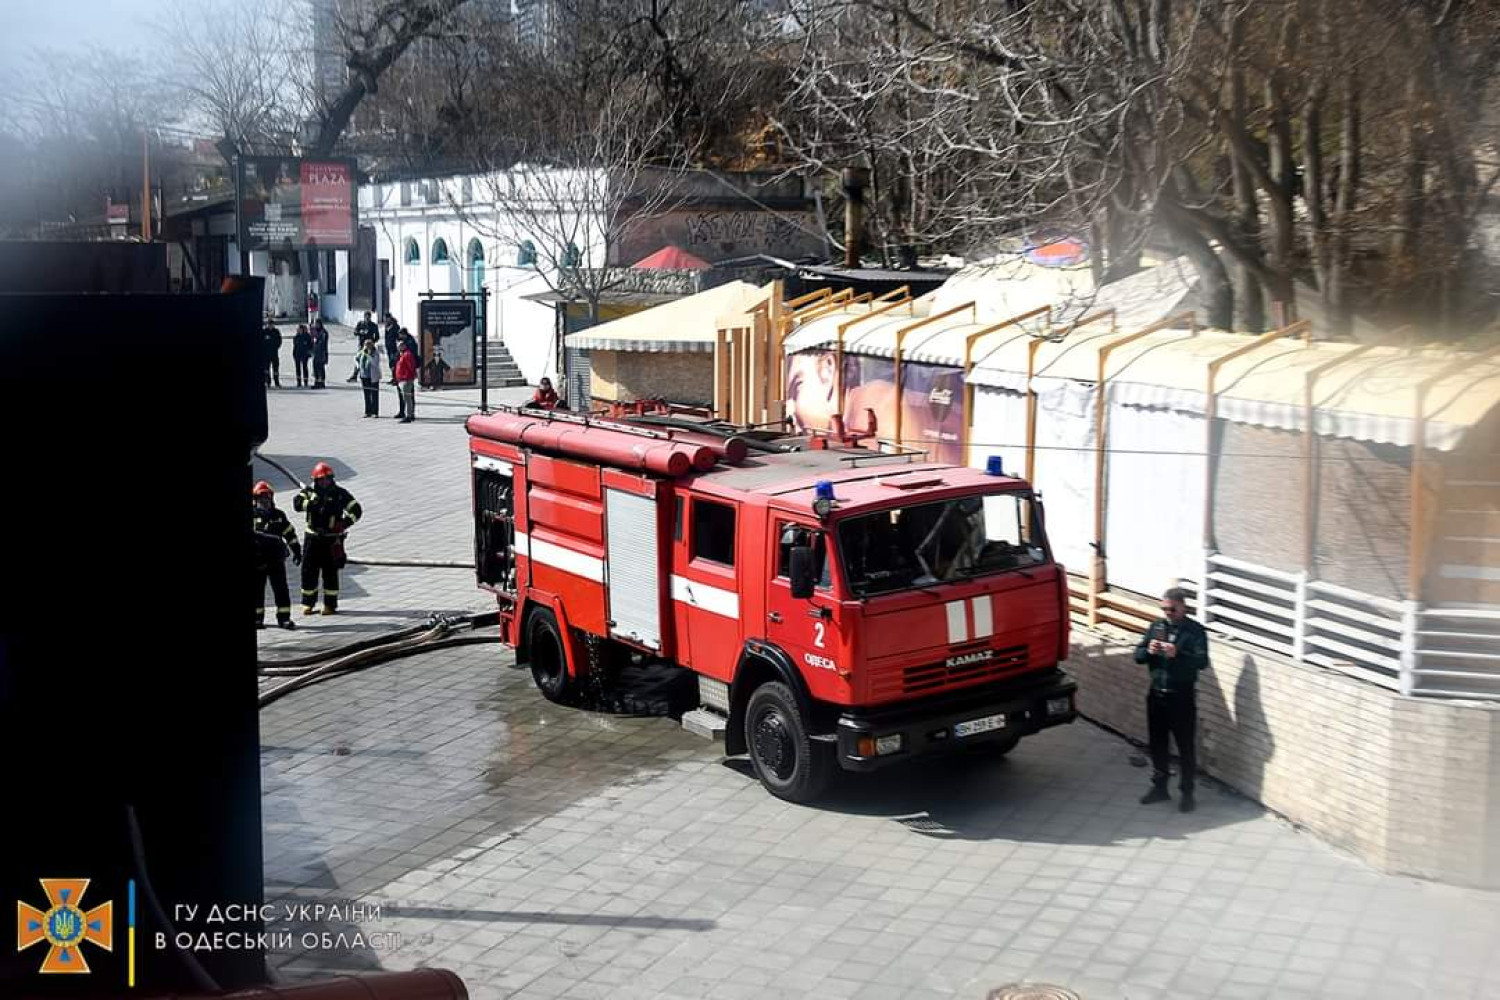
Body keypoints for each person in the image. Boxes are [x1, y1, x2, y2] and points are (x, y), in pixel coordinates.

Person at [1134, 587, 1211, 812]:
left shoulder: (1194, 631)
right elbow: (1138, 656)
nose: (1168, 613)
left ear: (1183, 607)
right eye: (1164, 609)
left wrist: (1178, 654)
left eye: (1172, 609)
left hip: (1181, 696)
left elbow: (1201, 662)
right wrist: (1148, 651)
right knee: (1157, 743)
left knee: (1185, 745)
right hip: (1157, 694)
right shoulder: (1157, 627)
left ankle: (1187, 792)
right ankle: (1160, 787)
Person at [293, 462, 362, 615]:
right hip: (313, 538)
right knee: (308, 571)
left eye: (327, 479)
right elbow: (297, 504)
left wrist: (344, 523)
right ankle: (308, 603)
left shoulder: (340, 494)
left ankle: (330, 605)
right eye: (321, 479)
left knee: (330, 573)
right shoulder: (310, 492)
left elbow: (356, 510)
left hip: (331, 539)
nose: (324, 482)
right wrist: (312, 503)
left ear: (332, 479)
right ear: (316, 480)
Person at [252, 481, 300, 630]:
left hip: (276, 560)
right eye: (261, 498)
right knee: (257, 591)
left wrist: (297, 550)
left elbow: (289, 533)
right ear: (255, 499)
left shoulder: (278, 515)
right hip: (258, 561)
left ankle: (284, 618)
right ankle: (257, 619)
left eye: (267, 497)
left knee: (281, 590)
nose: (264, 501)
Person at [354, 337, 382, 417]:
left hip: (373, 376)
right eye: (365, 345)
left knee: (374, 394)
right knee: (366, 394)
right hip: (364, 375)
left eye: (368, 345)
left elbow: (375, 363)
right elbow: (356, 358)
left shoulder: (375, 353)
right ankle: (368, 411)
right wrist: (358, 366)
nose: (367, 347)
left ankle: (375, 412)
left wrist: (368, 355)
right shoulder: (362, 352)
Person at [394, 340, 418, 422]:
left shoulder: (407, 354)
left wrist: (411, 377)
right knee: (406, 398)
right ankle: (409, 414)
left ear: (404, 346)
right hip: (401, 379)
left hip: (406, 379)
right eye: (398, 346)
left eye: (400, 346)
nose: (398, 347)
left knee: (407, 399)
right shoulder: (401, 354)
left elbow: (411, 366)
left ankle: (409, 415)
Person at [262, 315, 283, 388]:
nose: (270, 325)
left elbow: (279, 341)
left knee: (276, 369)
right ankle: (268, 382)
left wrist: (276, 347)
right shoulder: (264, 332)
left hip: (274, 353)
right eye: (269, 324)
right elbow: (261, 342)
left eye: (271, 324)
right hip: (266, 354)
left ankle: (277, 382)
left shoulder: (276, 332)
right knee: (266, 369)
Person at [310, 319, 330, 388]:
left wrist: (316, 339)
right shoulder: (315, 331)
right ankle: (317, 382)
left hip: (322, 352)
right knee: (315, 368)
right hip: (315, 352)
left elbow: (322, 342)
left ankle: (322, 382)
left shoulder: (323, 332)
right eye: (315, 324)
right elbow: (312, 339)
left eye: (317, 324)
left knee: (321, 368)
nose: (316, 325)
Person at [383, 314, 402, 385]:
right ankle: (393, 378)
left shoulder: (395, 326)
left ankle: (396, 379)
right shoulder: (387, 326)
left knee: (394, 363)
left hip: (394, 348)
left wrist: (398, 348)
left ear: (390, 318)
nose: (385, 320)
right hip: (389, 348)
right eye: (385, 319)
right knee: (391, 364)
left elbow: (398, 338)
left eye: (386, 319)